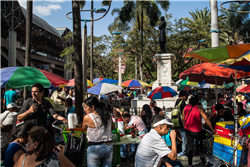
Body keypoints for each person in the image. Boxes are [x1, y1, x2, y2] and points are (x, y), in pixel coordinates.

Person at [182, 95, 214, 167]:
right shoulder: (199, 108)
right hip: (198, 131)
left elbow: (183, 119)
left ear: (189, 101)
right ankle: (203, 156)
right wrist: (212, 129)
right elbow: (206, 119)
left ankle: (190, 164)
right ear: (197, 101)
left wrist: (185, 126)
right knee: (203, 141)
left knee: (190, 147)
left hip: (188, 130)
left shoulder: (185, 107)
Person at [82, 96, 115, 167]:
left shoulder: (87, 117)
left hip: (95, 148)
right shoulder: (107, 115)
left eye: (86, 107)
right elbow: (113, 128)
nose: (84, 110)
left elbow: (83, 128)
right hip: (108, 146)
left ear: (92, 107)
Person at [172, 90, 188, 160]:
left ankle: (181, 151)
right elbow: (184, 114)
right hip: (181, 123)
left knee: (181, 137)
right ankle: (182, 153)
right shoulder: (183, 103)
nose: (187, 97)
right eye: (186, 96)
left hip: (176, 122)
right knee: (185, 138)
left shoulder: (177, 102)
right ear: (182, 96)